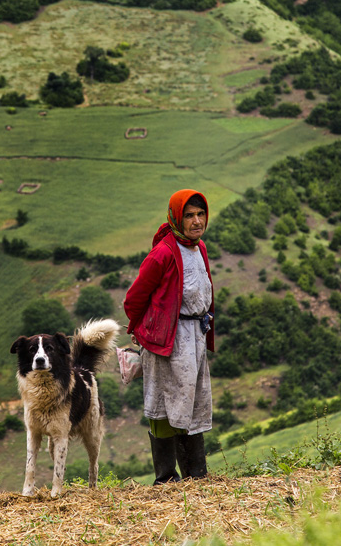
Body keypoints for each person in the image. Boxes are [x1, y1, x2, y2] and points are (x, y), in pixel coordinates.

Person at [123, 189, 214, 483]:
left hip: (194, 337)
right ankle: (165, 477)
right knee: (164, 403)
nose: (197, 221)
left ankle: (195, 474)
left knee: (192, 400)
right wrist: (141, 330)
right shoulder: (163, 253)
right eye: (189, 215)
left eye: (200, 214)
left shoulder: (199, 248)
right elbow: (134, 299)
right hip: (168, 341)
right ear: (177, 217)